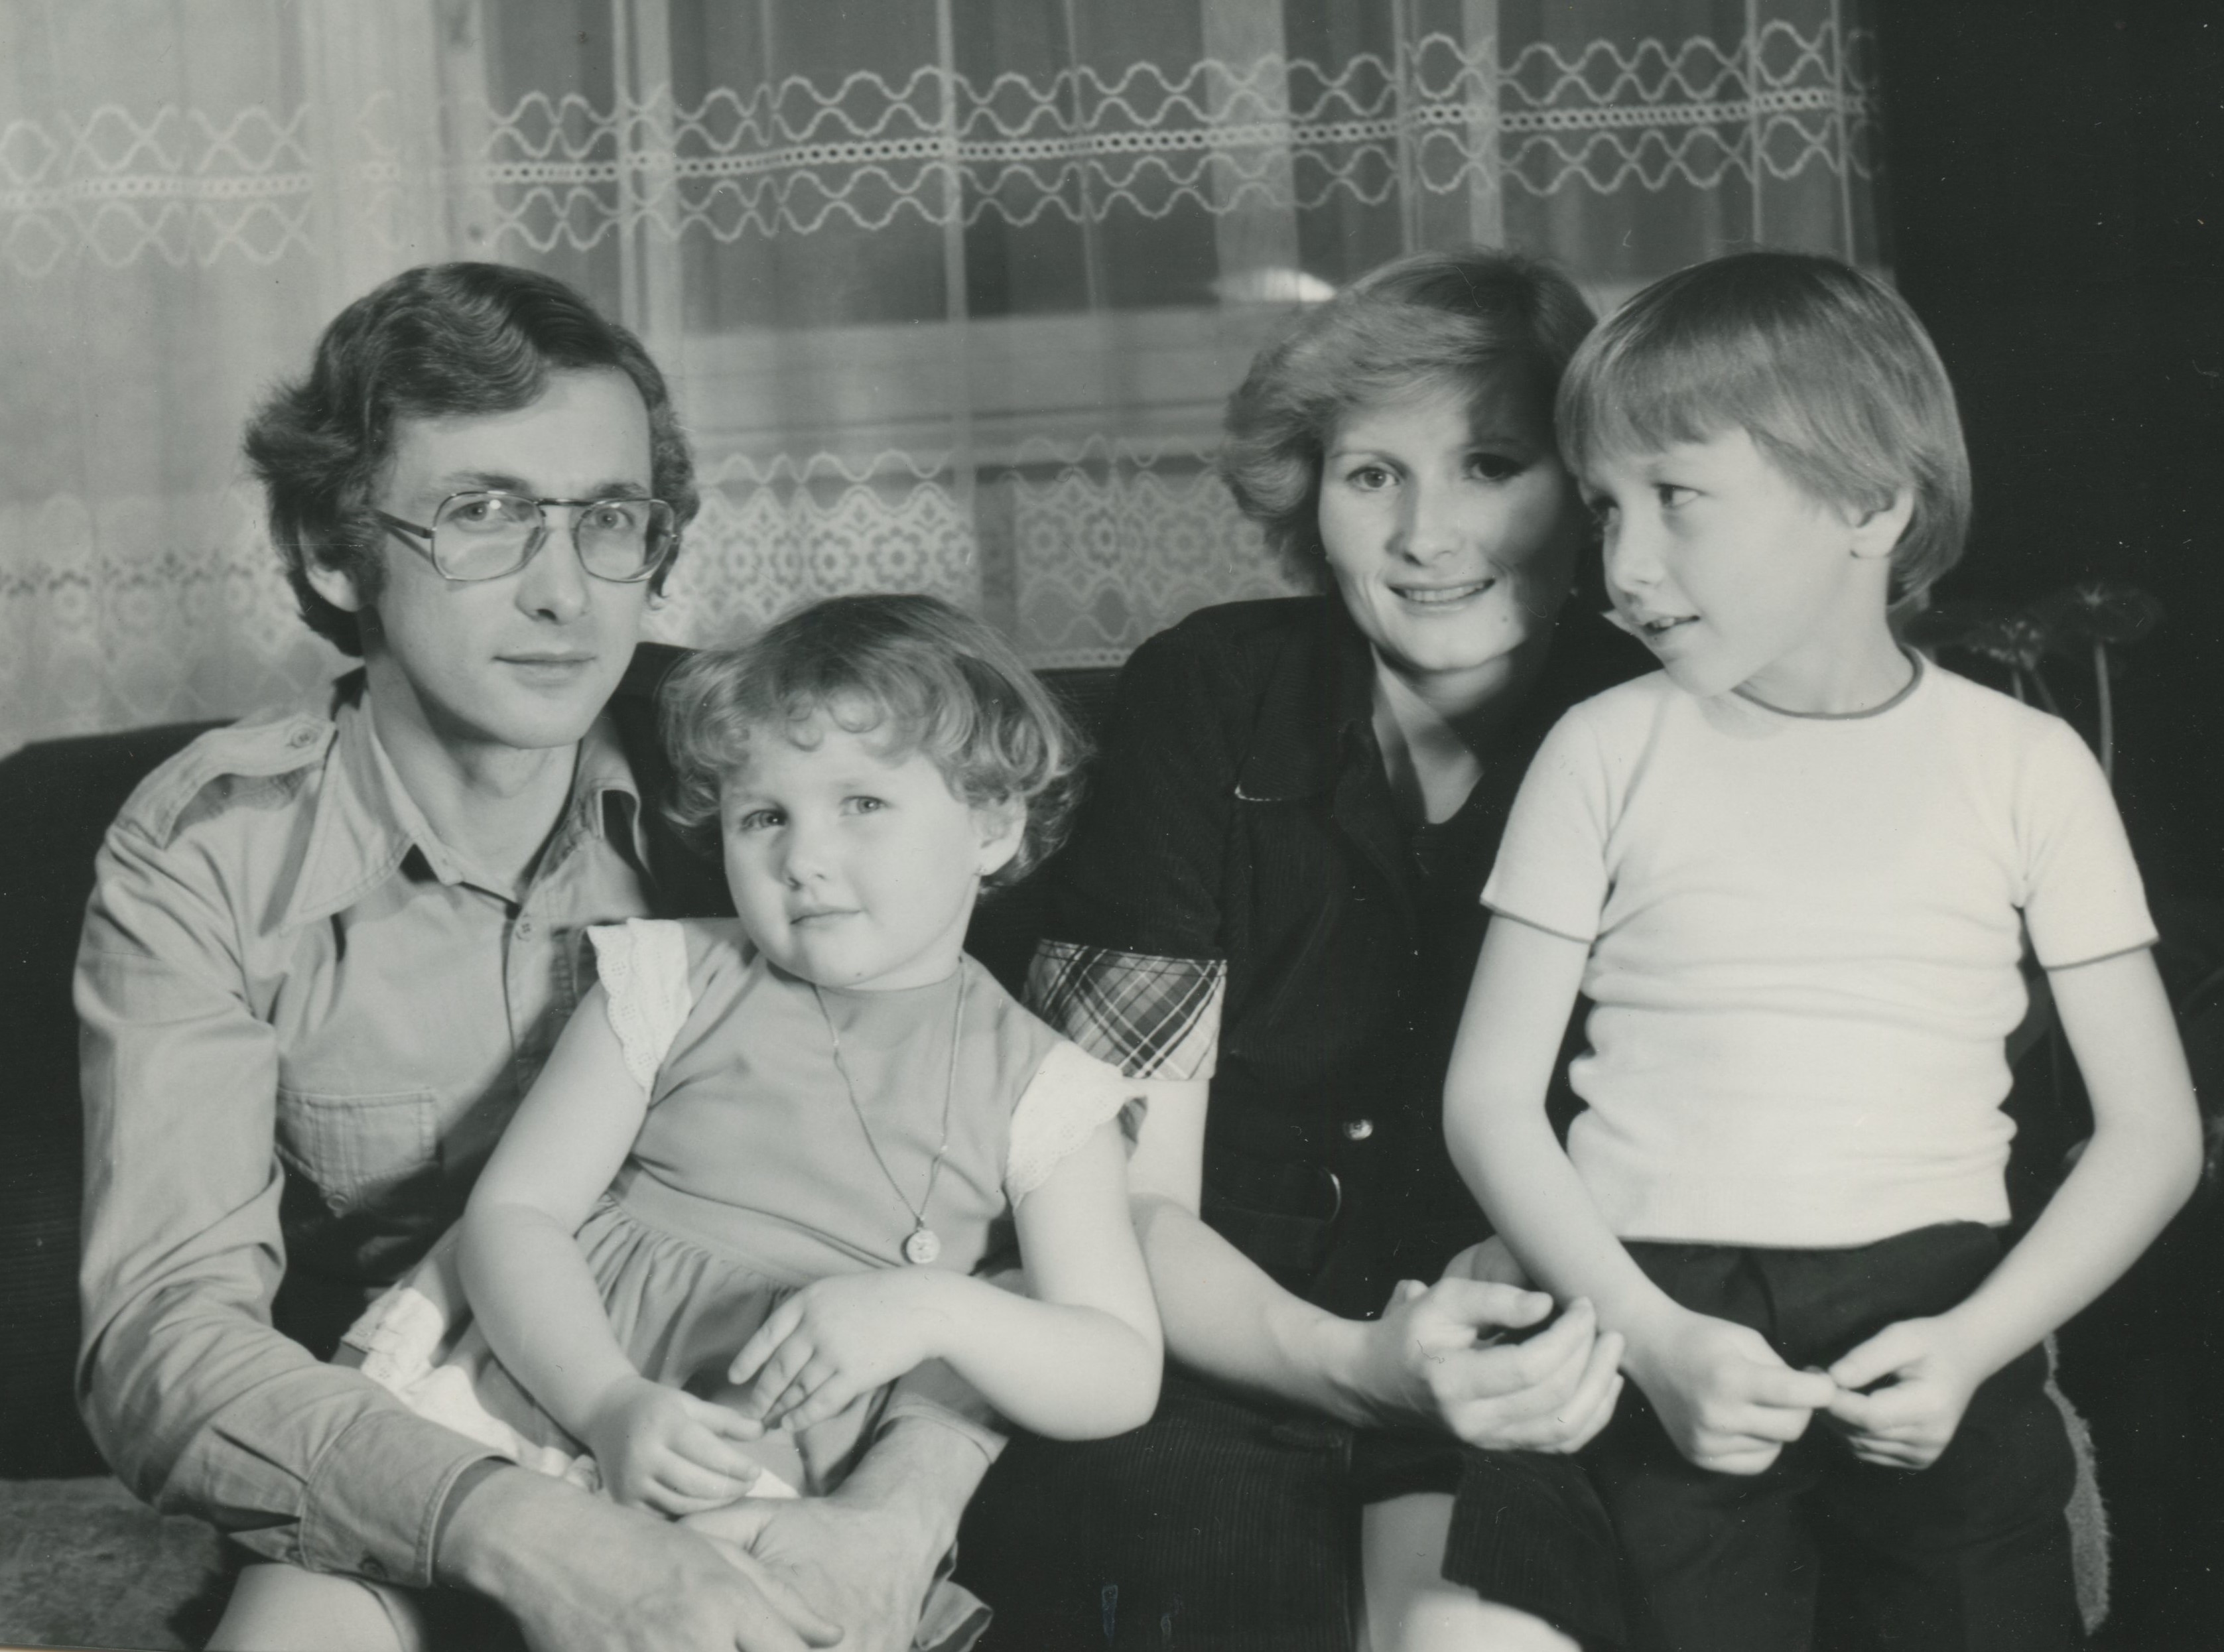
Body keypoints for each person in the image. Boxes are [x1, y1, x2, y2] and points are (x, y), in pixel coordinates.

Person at [76, 264, 1007, 1652]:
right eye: (484, 515)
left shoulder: (767, 783)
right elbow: (161, 1337)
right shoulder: (213, 848)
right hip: (417, 1449)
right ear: (335, 554)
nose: (567, 595)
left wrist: (905, 1501)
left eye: (609, 519)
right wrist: (533, 1536)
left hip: (756, 1442)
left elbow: (1004, 1176)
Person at [1443, 251, 2203, 1651]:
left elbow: (2151, 1135)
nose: (1623, 564)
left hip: (1936, 1325)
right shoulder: (1601, 752)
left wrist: (1975, 1347)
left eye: (1677, 497)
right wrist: (1651, 1340)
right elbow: (1488, 1100)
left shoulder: (2025, 766)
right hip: (1649, 1317)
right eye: (1605, 507)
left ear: (1870, 503)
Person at [208, 592, 1163, 1652]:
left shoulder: (1049, 1089)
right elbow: (517, 1214)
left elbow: (1118, 1367)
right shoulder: (670, 979)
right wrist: (606, 1402)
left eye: (861, 803)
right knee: (293, 1621)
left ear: (992, 824)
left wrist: (935, 1310)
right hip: (533, 1386)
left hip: (747, 1483)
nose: (803, 858)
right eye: (765, 817)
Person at [959, 249, 1640, 1651]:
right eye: (1371, 474)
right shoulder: (1208, 695)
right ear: (1307, 493)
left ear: (1585, 490)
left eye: (1490, 464)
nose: (1426, 536)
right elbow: (1121, 1190)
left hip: (1538, 1362)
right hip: (1213, 1350)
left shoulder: (1651, 720)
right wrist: (1351, 1362)